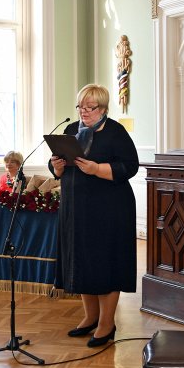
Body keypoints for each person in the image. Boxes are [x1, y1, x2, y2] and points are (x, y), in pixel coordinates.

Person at [49, 83, 139, 348]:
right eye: (81, 107)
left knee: (106, 263)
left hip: (109, 210)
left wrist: (97, 168)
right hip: (75, 209)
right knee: (82, 260)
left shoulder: (115, 132)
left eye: (91, 107)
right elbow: (58, 165)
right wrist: (56, 167)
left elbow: (130, 166)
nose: (84, 112)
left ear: (103, 108)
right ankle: (90, 317)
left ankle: (106, 324)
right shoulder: (69, 131)